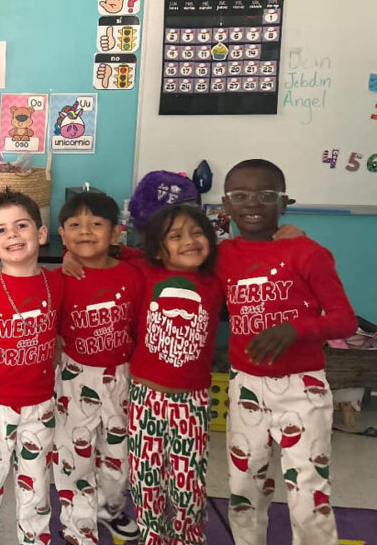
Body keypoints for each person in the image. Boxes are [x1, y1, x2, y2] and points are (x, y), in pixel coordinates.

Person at [218, 159, 356, 545]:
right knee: (245, 486)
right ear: (226, 205)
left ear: (284, 202)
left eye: (265, 195)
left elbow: (345, 320)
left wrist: (296, 329)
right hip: (245, 384)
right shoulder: (222, 256)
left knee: (309, 491)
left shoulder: (308, 252)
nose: (253, 204)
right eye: (240, 195)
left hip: (303, 387)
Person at [0, 188, 63, 545]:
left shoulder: (58, 282)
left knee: (36, 489)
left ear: (40, 233)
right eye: (1, 230)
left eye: (21, 226)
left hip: (40, 404)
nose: (13, 236)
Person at [126, 204, 223, 545]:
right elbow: (107, 254)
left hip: (193, 399)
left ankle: (188, 537)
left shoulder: (216, 278)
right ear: (157, 247)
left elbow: (249, 252)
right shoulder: (142, 272)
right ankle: (152, 536)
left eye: (197, 233)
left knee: (188, 481)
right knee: (146, 477)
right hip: (144, 397)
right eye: (176, 236)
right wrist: (72, 259)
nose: (189, 241)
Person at [52, 192, 142, 544]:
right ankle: (78, 526)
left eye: (96, 224)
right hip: (75, 377)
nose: (85, 231)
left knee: (119, 457)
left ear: (116, 233)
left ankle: (110, 509)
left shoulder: (133, 276)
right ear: (62, 233)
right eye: (75, 225)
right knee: (74, 456)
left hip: (121, 376)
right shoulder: (62, 278)